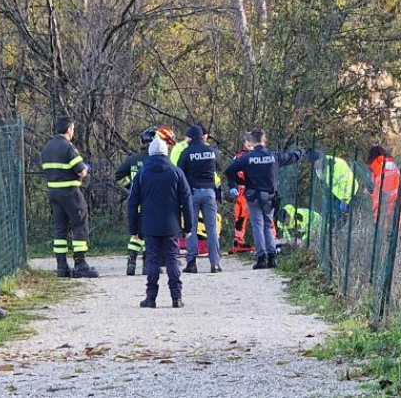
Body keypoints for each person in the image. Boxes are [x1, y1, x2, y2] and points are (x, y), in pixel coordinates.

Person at [224, 129, 317, 269]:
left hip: (253, 195)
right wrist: (303, 151)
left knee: (257, 226)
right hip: (269, 197)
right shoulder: (273, 156)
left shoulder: (246, 158)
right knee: (268, 225)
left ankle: (261, 258)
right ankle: (272, 257)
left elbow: (228, 171)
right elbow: (291, 157)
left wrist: (242, 182)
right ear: (264, 140)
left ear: (253, 142)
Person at [128, 136, 193, 308]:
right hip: (171, 224)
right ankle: (176, 298)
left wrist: (133, 227)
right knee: (172, 258)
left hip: (149, 225)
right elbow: (186, 200)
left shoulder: (142, 173)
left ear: (150, 153)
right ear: (166, 152)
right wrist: (188, 226)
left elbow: (133, 202)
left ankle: (151, 298)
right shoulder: (176, 172)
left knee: (152, 259)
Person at [41, 116, 99, 278]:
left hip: (53, 193)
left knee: (60, 229)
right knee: (80, 224)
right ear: (68, 129)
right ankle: (80, 265)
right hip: (70, 192)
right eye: (73, 129)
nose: (73, 132)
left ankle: (62, 266)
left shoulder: (47, 148)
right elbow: (81, 171)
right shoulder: (68, 148)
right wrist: (86, 169)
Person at [178, 125, 222, 274]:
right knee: (212, 229)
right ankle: (215, 264)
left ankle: (191, 263)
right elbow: (218, 168)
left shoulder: (186, 153)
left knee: (191, 229)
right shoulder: (212, 151)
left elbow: (180, 174)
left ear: (191, 137)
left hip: (193, 193)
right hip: (210, 192)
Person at [114, 127, 156, 276]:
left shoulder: (133, 159)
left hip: (135, 201)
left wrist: (130, 187)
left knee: (136, 234)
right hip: (150, 202)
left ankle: (131, 263)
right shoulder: (154, 160)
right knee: (148, 232)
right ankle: (146, 265)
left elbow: (118, 175)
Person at [366, 145, 401, 221]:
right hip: (399, 195)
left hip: (383, 197)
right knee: (396, 222)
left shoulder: (374, 165)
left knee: (381, 225)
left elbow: (370, 187)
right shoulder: (392, 164)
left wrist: (368, 192)